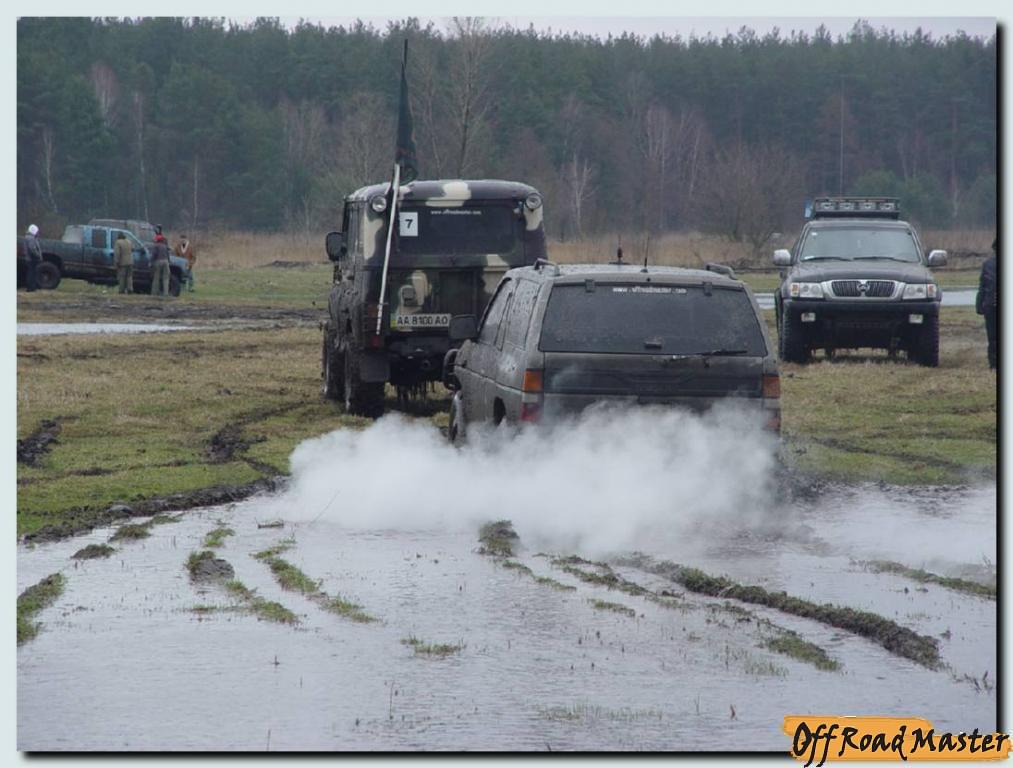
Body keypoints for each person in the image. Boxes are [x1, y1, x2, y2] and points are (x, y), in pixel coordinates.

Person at [976, 236, 997, 370]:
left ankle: (994, 363)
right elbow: (983, 286)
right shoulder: (988, 265)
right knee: (993, 337)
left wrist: (980, 304)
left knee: (993, 337)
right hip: (991, 305)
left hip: (990, 305)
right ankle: (994, 363)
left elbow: (982, 287)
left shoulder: (987, 264)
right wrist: (979, 304)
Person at [150, 231, 171, 297]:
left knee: (156, 278)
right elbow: (168, 255)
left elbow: (154, 255)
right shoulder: (165, 246)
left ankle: (154, 293)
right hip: (166, 262)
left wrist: (151, 262)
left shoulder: (156, 246)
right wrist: (169, 262)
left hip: (158, 261)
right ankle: (166, 293)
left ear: (157, 240)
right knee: (166, 278)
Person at [23, 224, 42, 292]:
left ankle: (31, 287)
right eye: (37, 231)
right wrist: (38, 255)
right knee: (31, 273)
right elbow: (32, 249)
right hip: (32, 258)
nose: (38, 233)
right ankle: (31, 288)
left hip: (30, 258)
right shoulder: (31, 238)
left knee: (31, 273)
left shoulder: (29, 237)